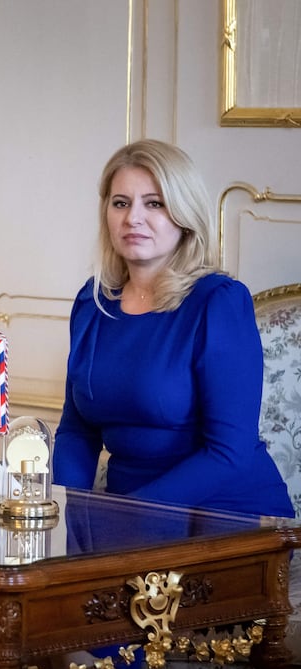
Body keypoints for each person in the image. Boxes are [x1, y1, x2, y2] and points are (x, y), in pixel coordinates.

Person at [53, 139, 293, 519]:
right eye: (120, 203)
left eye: (154, 203)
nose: (133, 218)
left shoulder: (219, 302)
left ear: (184, 215)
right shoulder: (93, 301)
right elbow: (76, 431)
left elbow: (228, 453)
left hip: (225, 515)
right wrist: (68, 512)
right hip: (126, 515)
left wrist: (124, 517)